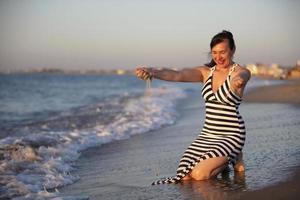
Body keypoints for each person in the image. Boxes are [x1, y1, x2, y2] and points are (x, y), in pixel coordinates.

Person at [135, 30, 251, 185]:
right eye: (214, 53)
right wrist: (152, 71)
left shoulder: (239, 72)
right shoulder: (205, 73)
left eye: (222, 52)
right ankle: (223, 161)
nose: (218, 57)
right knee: (184, 176)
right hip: (207, 135)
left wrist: (238, 81)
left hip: (231, 134)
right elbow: (177, 74)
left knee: (199, 174)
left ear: (233, 50)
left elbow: (244, 75)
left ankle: (234, 156)